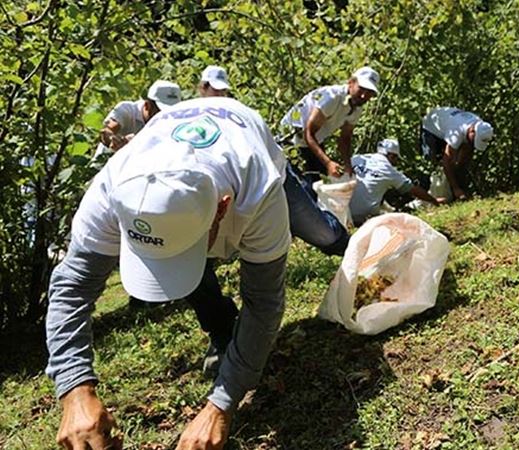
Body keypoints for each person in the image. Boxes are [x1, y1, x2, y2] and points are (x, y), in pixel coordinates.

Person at [46, 96, 292, 450]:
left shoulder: (259, 190)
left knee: (319, 231)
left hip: (247, 133)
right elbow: (72, 287)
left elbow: (264, 302)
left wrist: (221, 404)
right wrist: (74, 388)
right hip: (185, 150)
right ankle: (223, 330)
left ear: (222, 209)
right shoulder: (111, 189)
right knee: (194, 282)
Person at [279, 66, 380, 188]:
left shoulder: (356, 109)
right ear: (351, 83)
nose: (364, 96)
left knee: (320, 186)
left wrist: (348, 167)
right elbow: (308, 132)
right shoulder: (332, 97)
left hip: (313, 141)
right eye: (361, 89)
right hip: (292, 141)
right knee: (301, 187)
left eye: (369, 92)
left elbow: (345, 138)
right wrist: (328, 163)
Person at [350, 139, 444, 225]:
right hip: (363, 217)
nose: (396, 163)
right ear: (391, 155)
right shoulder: (388, 170)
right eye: (396, 159)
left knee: (380, 186)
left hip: (345, 212)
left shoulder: (357, 159)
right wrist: (433, 200)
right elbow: (412, 190)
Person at [94, 80, 182, 159]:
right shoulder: (126, 110)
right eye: (161, 111)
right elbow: (107, 131)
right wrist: (115, 140)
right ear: (148, 106)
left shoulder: (174, 121)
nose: (166, 116)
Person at [420, 107, 493, 200]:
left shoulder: (481, 126)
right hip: (431, 126)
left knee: (460, 162)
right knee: (430, 162)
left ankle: (458, 192)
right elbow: (446, 162)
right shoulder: (456, 132)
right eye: (474, 140)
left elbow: (464, 158)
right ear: (472, 132)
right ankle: (426, 197)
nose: (473, 144)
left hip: (447, 123)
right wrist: (456, 189)